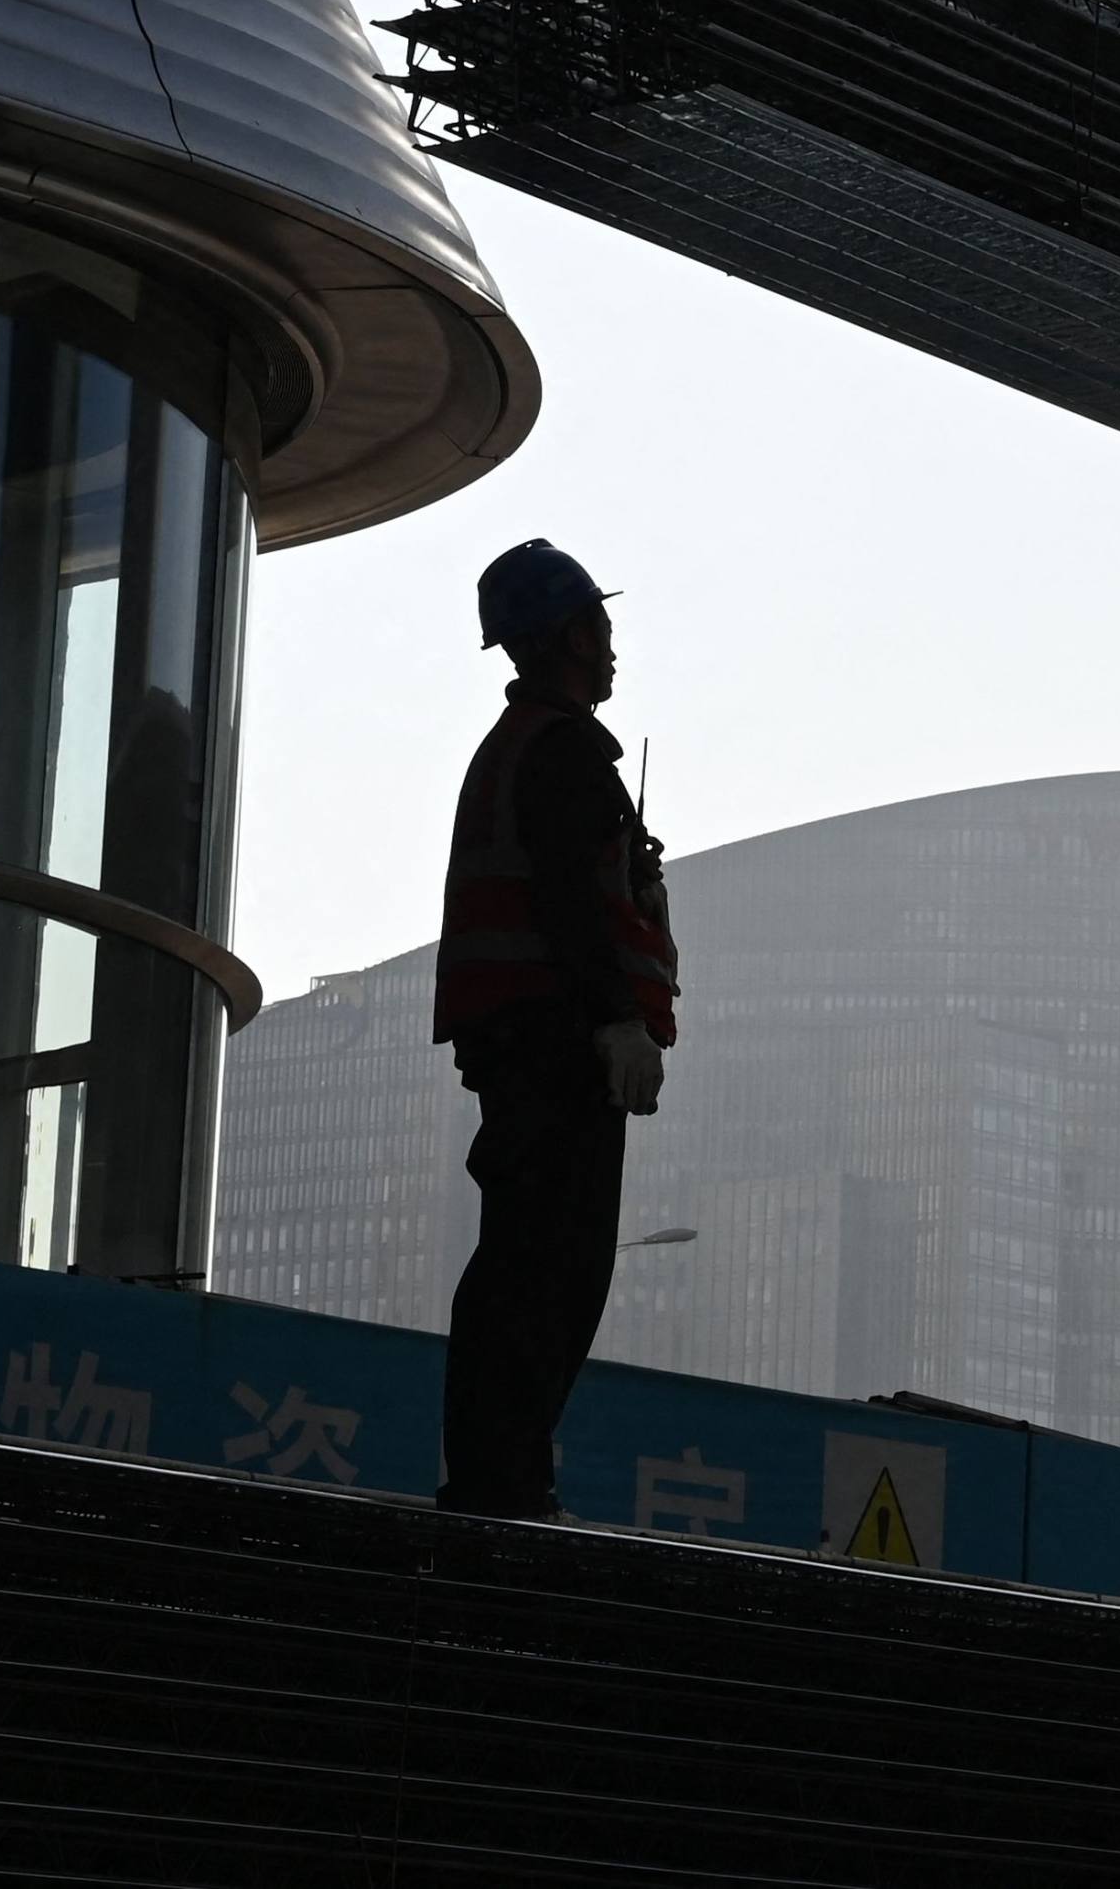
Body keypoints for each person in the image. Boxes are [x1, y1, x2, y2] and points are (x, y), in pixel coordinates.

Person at [432, 537, 679, 1518]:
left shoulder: (523, 747)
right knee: (552, 1266)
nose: (612, 647)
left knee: (522, 1257)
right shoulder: (564, 751)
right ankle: (507, 1478)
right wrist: (617, 1021)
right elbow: (572, 905)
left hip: (521, 1037)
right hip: (557, 1041)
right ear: (570, 634)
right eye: (601, 627)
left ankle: (501, 1469)